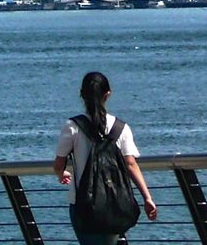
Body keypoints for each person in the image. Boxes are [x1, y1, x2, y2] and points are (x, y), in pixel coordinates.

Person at [54, 72, 158, 245]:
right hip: (116, 203)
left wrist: (61, 174)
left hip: (83, 204)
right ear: (107, 95)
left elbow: (58, 164)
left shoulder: (72, 127)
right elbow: (131, 164)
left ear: (82, 95)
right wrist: (147, 198)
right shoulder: (121, 127)